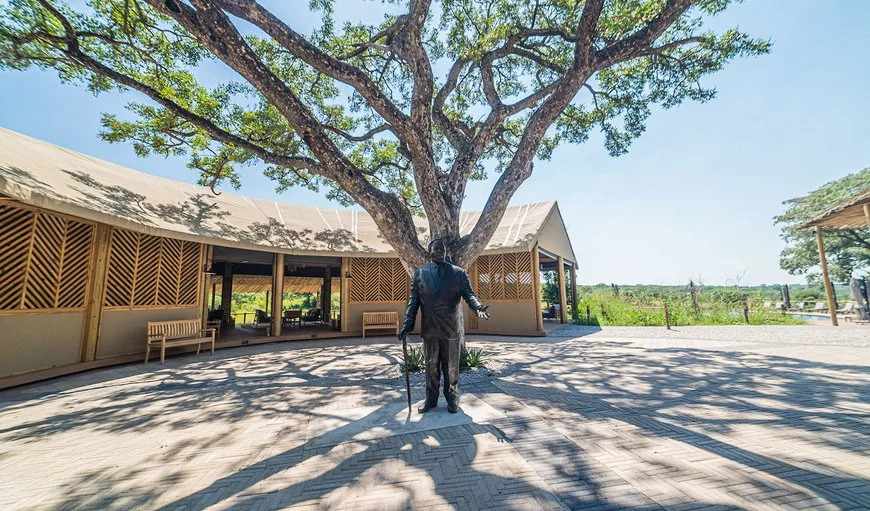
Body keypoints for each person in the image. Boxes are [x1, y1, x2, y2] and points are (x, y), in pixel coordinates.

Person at [398, 239, 490, 413]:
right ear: (430, 251)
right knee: (431, 367)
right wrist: (407, 326)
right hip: (430, 329)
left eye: (442, 248)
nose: (439, 251)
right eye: (436, 248)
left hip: (451, 329)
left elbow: (469, 295)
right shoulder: (420, 274)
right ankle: (430, 399)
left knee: (451, 368)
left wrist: (477, 307)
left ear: (446, 252)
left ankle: (452, 399)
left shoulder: (458, 273)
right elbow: (413, 303)